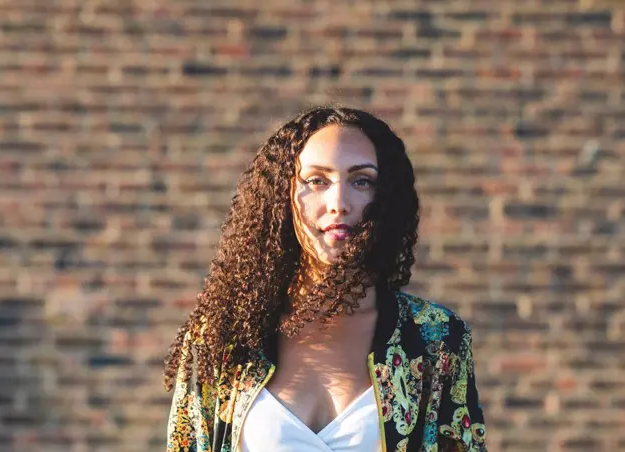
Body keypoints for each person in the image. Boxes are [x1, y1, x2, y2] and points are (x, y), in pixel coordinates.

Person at [164, 106, 487, 452]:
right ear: (282, 197)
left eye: (361, 180)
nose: (339, 202)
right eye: (316, 180)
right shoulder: (223, 337)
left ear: (386, 198)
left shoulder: (436, 338)